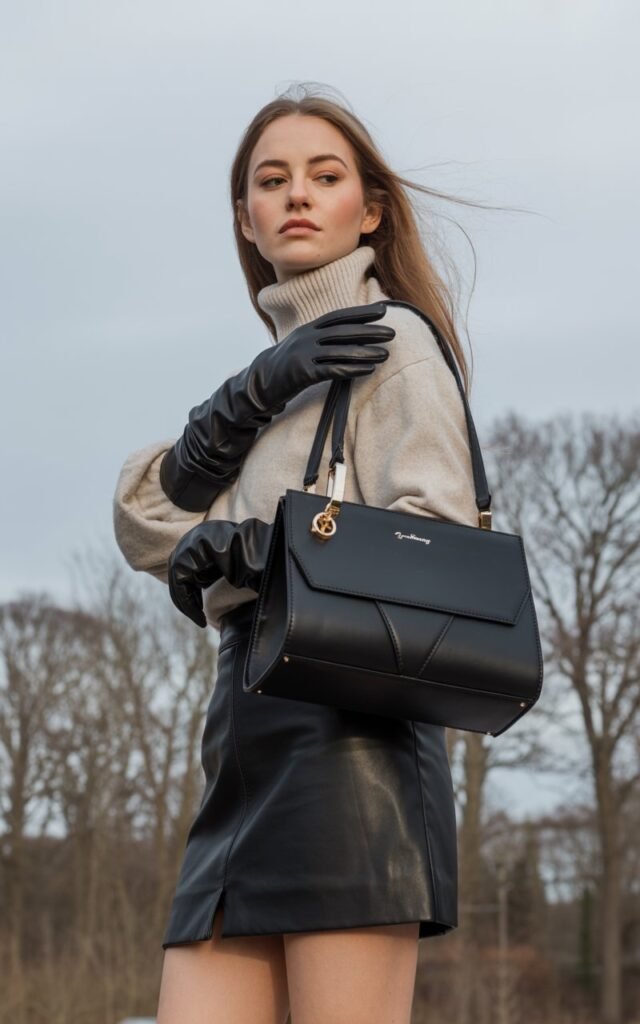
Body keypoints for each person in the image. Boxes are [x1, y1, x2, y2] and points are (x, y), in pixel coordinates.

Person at [113, 84, 480, 1024]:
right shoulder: (278, 375)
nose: (297, 195)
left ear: (371, 207)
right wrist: (245, 397)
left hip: (352, 752)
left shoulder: (390, 342)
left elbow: (436, 544)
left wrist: (265, 549)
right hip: (236, 748)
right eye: (270, 181)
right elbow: (144, 525)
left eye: (325, 175)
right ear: (245, 216)